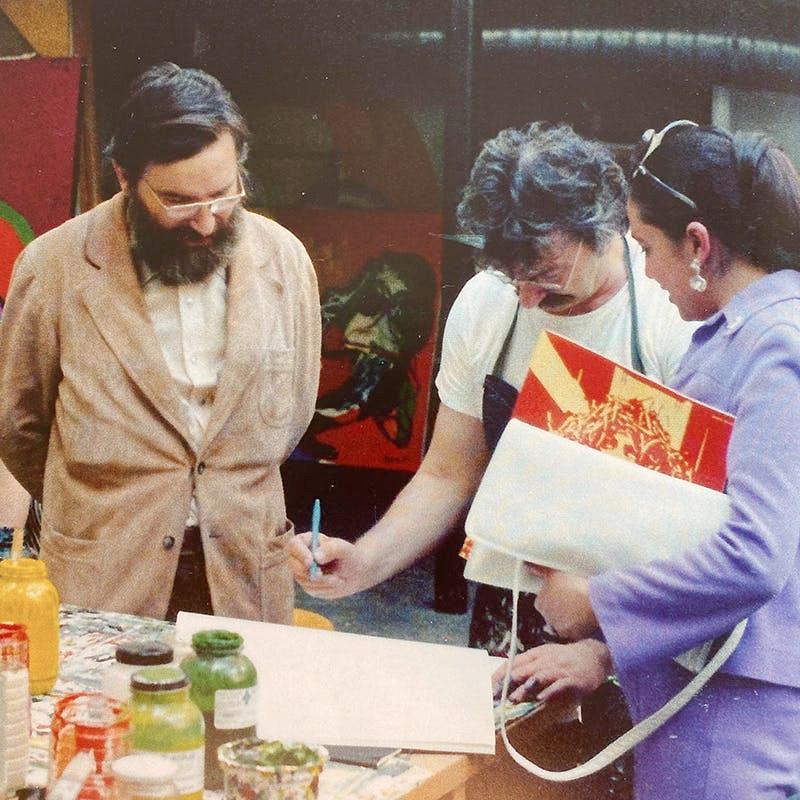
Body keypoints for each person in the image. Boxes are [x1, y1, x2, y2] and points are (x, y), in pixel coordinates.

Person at [290, 121, 696, 797]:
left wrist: (608, 646)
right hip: (512, 619)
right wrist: (365, 560)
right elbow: (450, 472)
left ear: (606, 224)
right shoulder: (488, 305)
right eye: (513, 277)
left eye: (545, 275)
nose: (529, 299)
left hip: (650, 627)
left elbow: (710, 541)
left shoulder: (667, 317)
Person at [523, 120, 800, 799]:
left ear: (698, 243)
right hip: (719, 692)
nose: (645, 270)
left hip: (731, 711)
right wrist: (605, 649)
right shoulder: (746, 336)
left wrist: (597, 602)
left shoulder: (773, 347)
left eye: (646, 245)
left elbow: (754, 555)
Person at [0, 63, 321, 622]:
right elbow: (19, 426)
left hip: (245, 572)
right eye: (178, 201)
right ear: (124, 177)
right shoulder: (53, 267)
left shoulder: (284, 259)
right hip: (105, 574)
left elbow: (294, 407)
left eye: (223, 195)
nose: (205, 223)